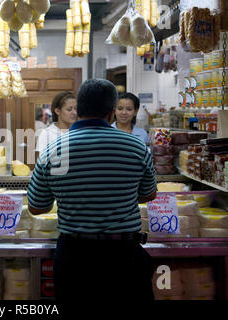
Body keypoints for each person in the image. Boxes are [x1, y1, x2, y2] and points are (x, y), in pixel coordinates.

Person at [27, 79, 157, 303]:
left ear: (79, 110)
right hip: (124, 254)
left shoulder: (53, 150)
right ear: (111, 112)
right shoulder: (136, 146)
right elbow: (149, 194)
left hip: (74, 256)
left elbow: (37, 207)